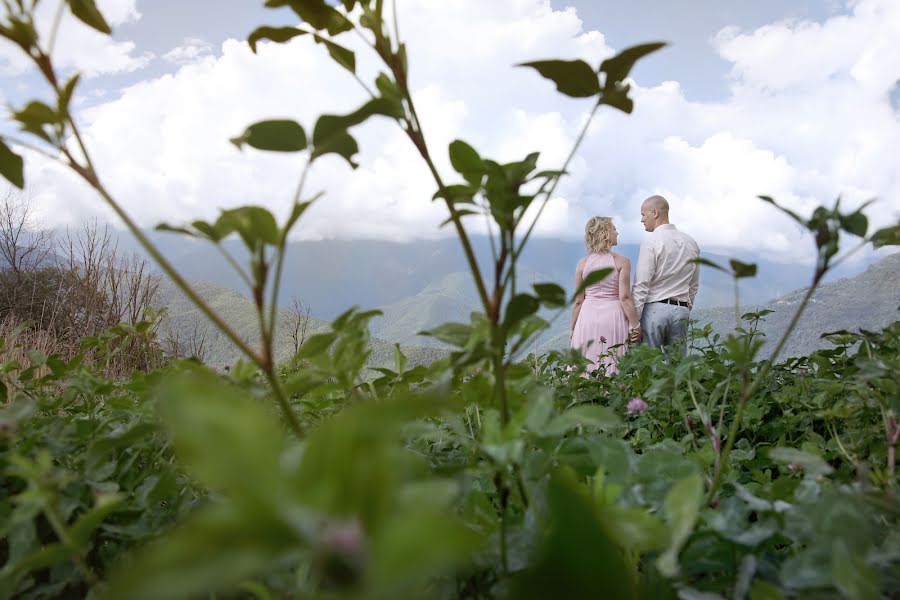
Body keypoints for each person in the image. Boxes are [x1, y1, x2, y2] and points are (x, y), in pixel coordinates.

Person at [570, 216, 640, 374]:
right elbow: (624, 297)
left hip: (586, 317)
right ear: (606, 234)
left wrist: (573, 328)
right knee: (613, 360)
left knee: (585, 363)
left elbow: (578, 301)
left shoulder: (582, 264)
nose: (617, 232)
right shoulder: (622, 261)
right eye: (614, 229)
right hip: (613, 317)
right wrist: (636, 325)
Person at [631, 195, 700, 351]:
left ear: (655, 213)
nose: (642, 220)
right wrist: (685, 308)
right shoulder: (691, 242)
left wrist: (634, 323)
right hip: (681, 311)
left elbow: (641, 284)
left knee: (649, 365)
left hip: (654, 311)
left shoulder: (651, 241)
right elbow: (694, 285)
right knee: (677, 367)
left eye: (643, 214)